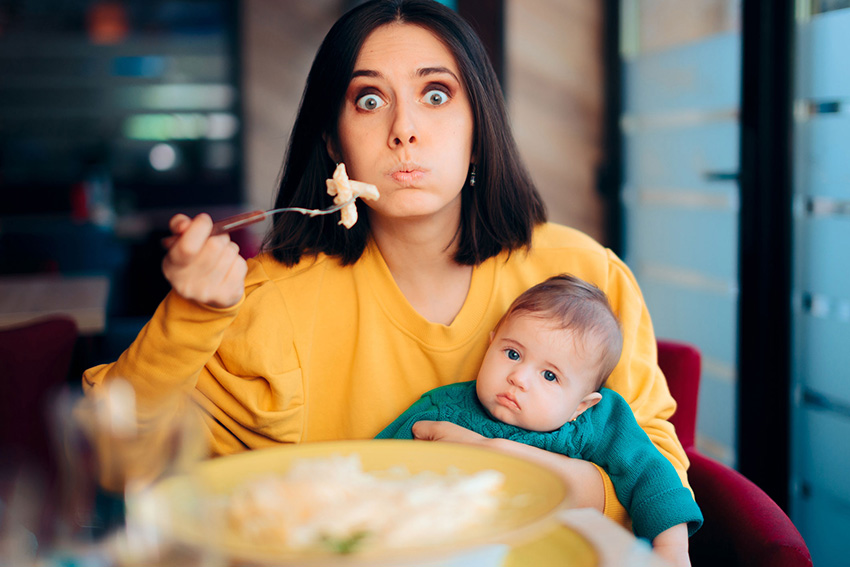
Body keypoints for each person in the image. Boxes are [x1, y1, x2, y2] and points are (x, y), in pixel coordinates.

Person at [83, 0, 690, 552]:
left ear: (479, 128)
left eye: (436, 95)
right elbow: (115, 464)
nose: (404, 129)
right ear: (333, 141)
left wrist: (512, 467)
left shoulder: (585, 275)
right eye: (369, 100)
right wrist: (192, 314)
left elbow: (658, 472)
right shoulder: (267, 305)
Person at [376, 274, 702, 563]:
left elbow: (651, 475)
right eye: (512, 354)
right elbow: (374, 471)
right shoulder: (442, 412)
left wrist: (671, 548)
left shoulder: (598, 422)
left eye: (549, 375)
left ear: (580, 405)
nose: (519, 377)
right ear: (490, 345)